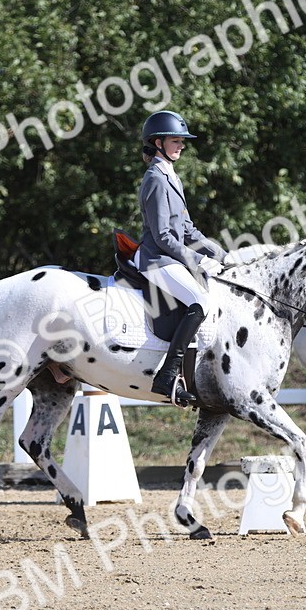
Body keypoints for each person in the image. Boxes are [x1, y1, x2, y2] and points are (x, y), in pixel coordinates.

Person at [136, 110, 227, 407]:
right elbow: (163, 236)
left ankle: (187, 379)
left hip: (171, 258)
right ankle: (166, 375)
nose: (182, 146)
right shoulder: (155, 179)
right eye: (176, 141)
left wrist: (222, 254)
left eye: (182, 141)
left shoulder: (170, 176)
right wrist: (196, 261)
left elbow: (187, 229)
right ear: (158, 142)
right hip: (156, 260)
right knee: (199, 302)